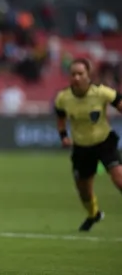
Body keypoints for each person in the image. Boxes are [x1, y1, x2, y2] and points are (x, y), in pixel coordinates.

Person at [54, 58, 122, 232]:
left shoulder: (101, 93)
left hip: (104, 142)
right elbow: (61, 119)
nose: (76, 77)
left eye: (80, 74)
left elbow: (119, 103)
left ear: (88, 75)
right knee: (84, 191)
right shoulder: (63, 98)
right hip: (82, 148)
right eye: (73, 74)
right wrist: (63, 136)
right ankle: (94, 214)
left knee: (119, 179)